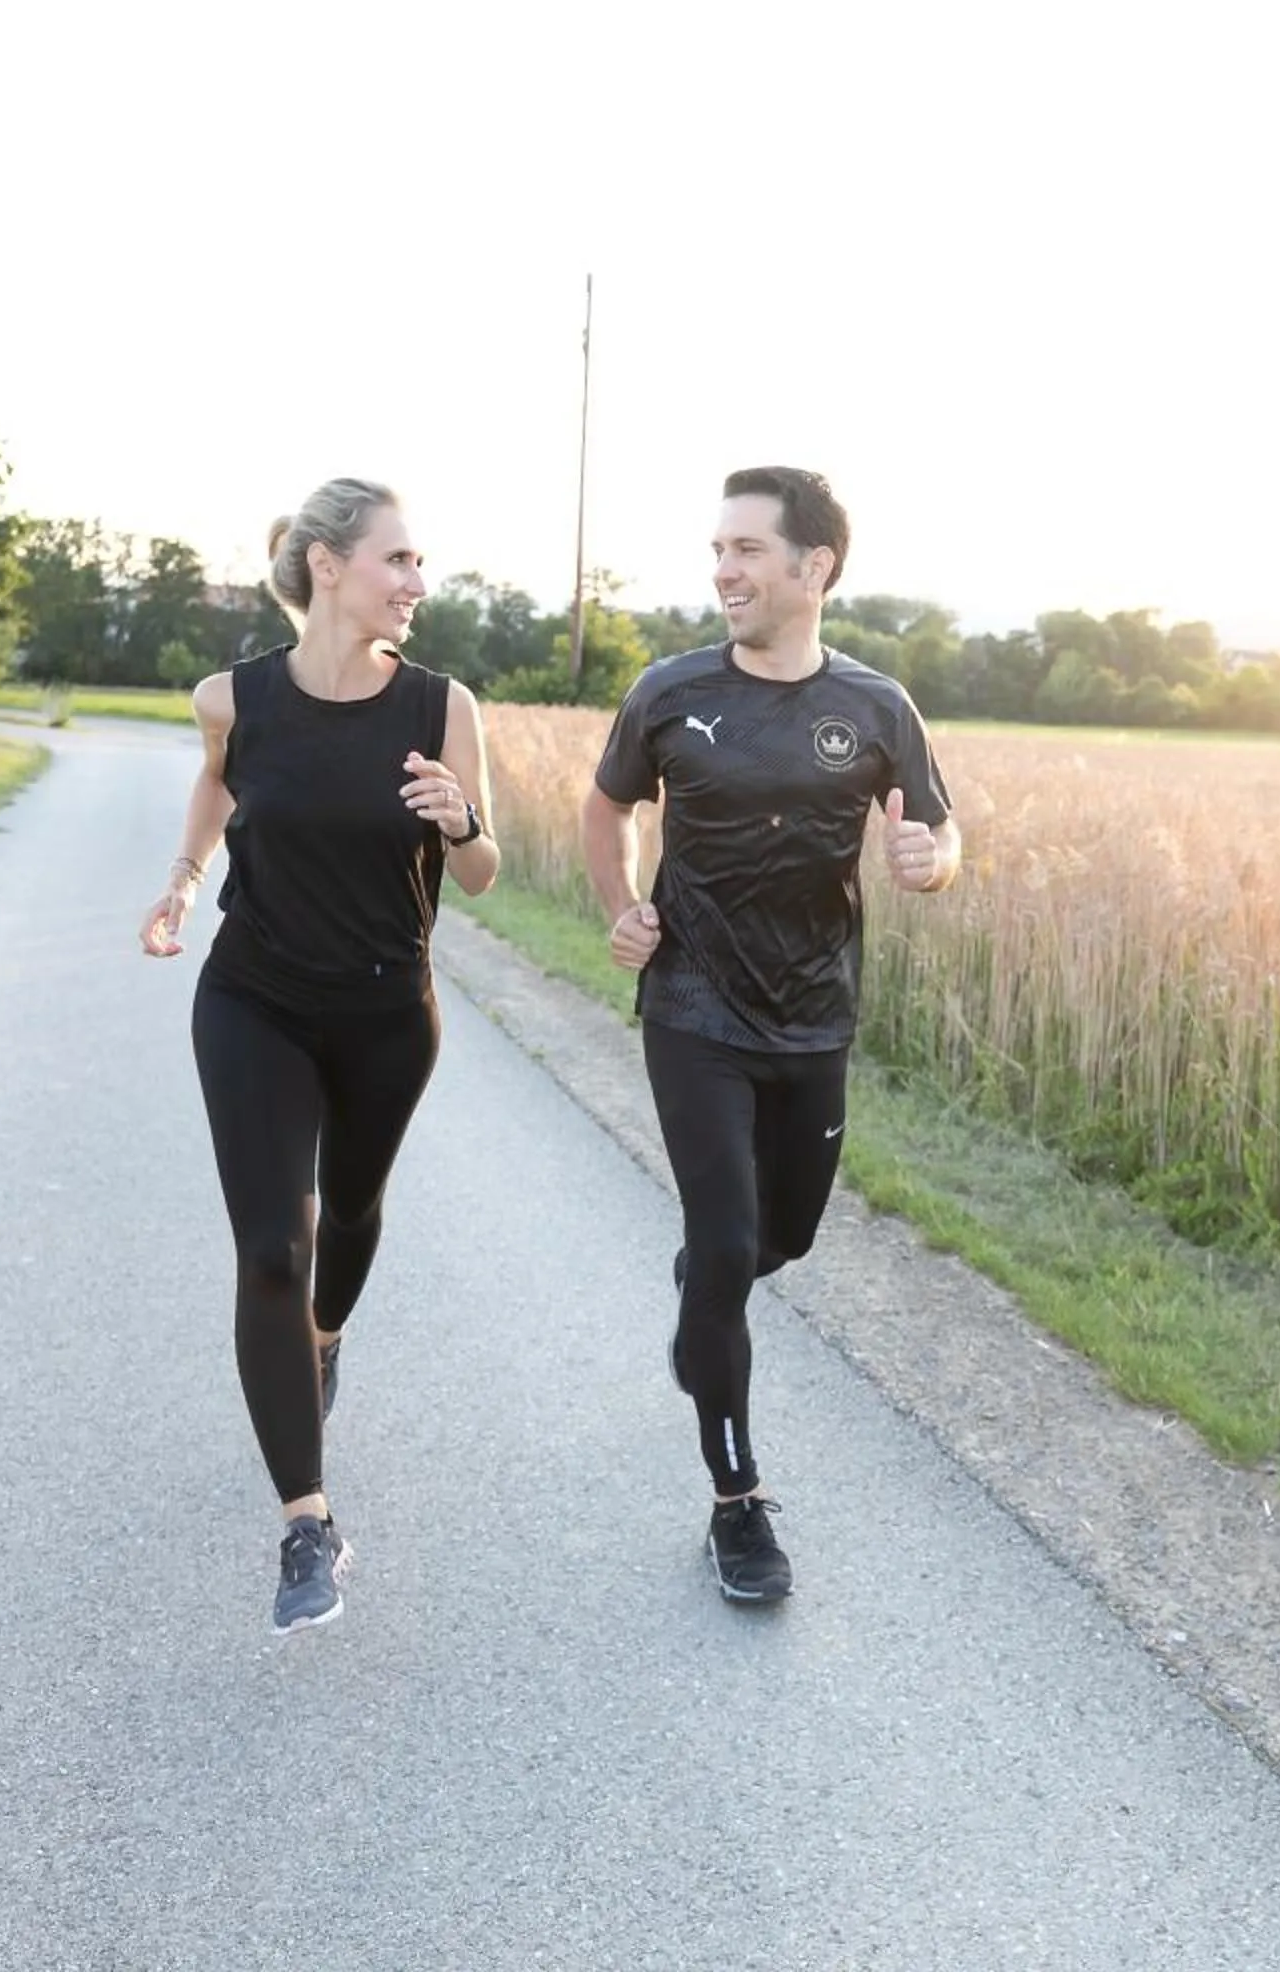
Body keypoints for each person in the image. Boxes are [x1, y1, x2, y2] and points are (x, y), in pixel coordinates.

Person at [579, 466, 962, 1602]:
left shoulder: (878, 706)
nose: (724, 570)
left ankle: (706, 1290)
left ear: (815, 566)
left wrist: (929, 860)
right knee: (727, 1243)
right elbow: (607, 805)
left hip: (814, 1019)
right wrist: (622, 906)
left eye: (746, 549)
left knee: (775, 1240)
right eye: (718, 549)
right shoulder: (670, 690)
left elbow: (942, 834)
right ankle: (736, 1504)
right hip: (693, 1011)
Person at [139, 476, 499, 1634]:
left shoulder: (441, 706)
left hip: (389, 1012)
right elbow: (219, 775)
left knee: (349, 1211)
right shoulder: (231, 698)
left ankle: (326, 1337)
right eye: (399, 559)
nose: (417, 581)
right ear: (328, 566)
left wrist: (458, 819)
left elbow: (482, 873)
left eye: (419, 561)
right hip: (255, 999)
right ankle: (307, 1520)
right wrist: (185, 878)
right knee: (269, 1250)